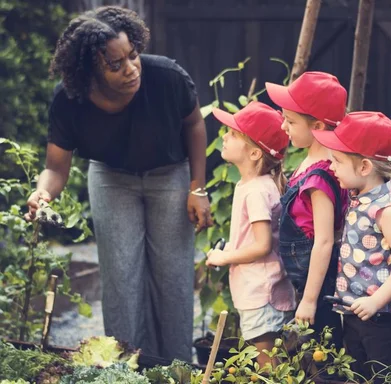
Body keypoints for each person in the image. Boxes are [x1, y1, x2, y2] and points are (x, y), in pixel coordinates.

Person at [25, 6, 210, 361]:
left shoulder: (166, 76)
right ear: (89, 72)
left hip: (169, 173)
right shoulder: (69, 100)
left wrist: (197, 186)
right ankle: (124, 370)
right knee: (121, 279)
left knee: (172, 280)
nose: (131, 68)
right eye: (115, 64)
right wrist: (43, 191)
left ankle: (175, 369)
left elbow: (194, 124)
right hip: (111, 178)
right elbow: (56, 167)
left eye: (133, 55)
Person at [313, 111, 391, 382]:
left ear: (364, 168)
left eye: (337, 161)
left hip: (382, 318)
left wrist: (375, 301)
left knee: (382, 378)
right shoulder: (358, 196)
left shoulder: (387, 210)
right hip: (356, 312)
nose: (331, 167)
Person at [205, 101, 295, 366]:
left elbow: (262, 245)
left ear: (255, 153)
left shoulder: (256, 190)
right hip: (258, 289)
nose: (224, 136)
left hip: (261, 291)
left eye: (233, 134)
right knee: (272, 361)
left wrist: (225, 258)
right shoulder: (252, 185)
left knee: (269, 366)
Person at [265, 72, 348, 348]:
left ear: (318, 125)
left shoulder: (321, 177)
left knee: (323, 352)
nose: (283, 126)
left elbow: (324, 241)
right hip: (304, 274)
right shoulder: (309, 161)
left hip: (320, 282)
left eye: (290, 121)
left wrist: (310, 300)